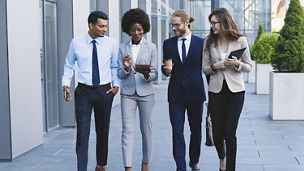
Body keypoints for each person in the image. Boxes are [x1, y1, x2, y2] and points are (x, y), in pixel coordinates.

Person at [61, 11, 119, 171]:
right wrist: (65, 83)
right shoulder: (76, 42)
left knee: (103, 130)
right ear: (91, 25)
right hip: (84, 92)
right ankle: (81, 168)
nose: (104, 29)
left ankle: (101, 165)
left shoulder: (111, 43)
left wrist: (116, 86)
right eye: (101, 26)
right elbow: (68, 64)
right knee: (82, 132)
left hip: (104, 91)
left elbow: (114, 66)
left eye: (106, 26)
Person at [202, 8, 252, 171]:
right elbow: (204, 68)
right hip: (216, 91)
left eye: (214, 22)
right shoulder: (208, 41)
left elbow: (249, 66)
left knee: (229, 133)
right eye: (211, 23)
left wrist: (237, 64)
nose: (212, 26)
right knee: (217, 134)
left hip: (236, 92)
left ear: (223, 22)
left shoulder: (240, 40)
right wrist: (215, 67)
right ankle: (222, 158)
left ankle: (230, 168)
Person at [162, 9, 206, 171]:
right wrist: (165, 71)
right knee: (177, 132)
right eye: (172, 25)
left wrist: (212, 96)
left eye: (177, 25)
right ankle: (181, 167)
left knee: (196, 130)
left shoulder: (201, 43)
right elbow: (166, 65)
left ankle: (194, 161)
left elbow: (206, 69)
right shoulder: (168, 43)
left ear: (187, 23)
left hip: (195, 93)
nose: (174, 28)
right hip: (175, 94)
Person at [117, 8, 158, 171]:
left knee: (146, 129)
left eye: (139, 29)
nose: (136, 32)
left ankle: (146, 162)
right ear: (128, 29)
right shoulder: (121, 48)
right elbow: (120, 73)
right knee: (127, 130)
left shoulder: (151, 47)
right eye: (133, 29)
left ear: (144, 29)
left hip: (146, 93)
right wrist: (126, 68)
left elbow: (155, 73)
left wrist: (146, 74)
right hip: (127, 94)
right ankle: (127, 166)